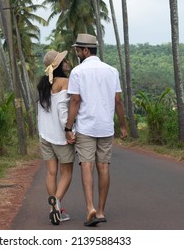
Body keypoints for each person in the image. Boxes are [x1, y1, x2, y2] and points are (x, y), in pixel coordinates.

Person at [65, 34, 128, 227]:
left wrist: (68, 127)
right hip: (106, 127)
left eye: (78, 50)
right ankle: (100, 211)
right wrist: (123, 125)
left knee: (87, 165)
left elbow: (75, 101)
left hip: (86, 127)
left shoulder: (78, 72)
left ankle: (89, 207)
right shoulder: (112, 71)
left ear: (85, 51)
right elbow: (118, 100)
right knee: (104, 166)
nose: (77, 53)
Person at [37, 49, 75, 225]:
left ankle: (56, 206)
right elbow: (62, 111)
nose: (67, 63)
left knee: (51, 172)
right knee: (66, 173)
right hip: (60, 136)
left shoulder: (44, 83)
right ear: (59, 65)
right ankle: (56, 205)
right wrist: (68, 130)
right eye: (65, 61)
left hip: (45, 135)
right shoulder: (64, 82)